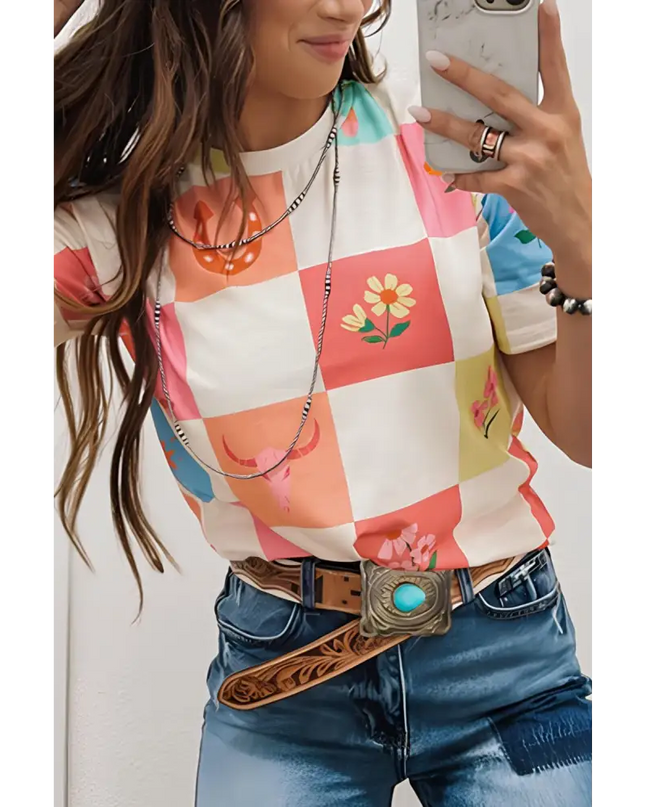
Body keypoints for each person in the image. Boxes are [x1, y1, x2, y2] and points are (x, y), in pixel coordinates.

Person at [51, 1, 595, 805]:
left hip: (507, 656)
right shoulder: (123, 224)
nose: (345, 6)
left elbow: (583, 433)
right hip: (284, 681)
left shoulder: (451, 150)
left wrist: (584, 255)